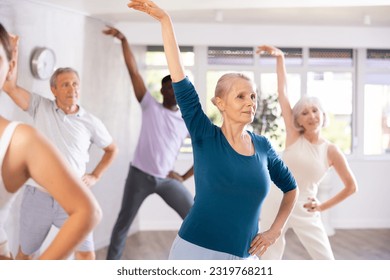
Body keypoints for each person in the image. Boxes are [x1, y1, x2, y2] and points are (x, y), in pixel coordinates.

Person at [128, 0, 298, 260]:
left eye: (253, 96)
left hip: (245, 257)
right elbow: (180, 79)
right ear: (220, 103)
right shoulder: (204, 134)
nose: (250, 102)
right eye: (241, 96)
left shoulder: (263, 147)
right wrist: (166, 21)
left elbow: (291, 188)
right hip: (195, 251)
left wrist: (275, 231)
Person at [3, 40, 118, 260]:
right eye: (65, 84)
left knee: (86, 257)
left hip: (73, 196)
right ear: (53, 89)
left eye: (75, 84)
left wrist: (95, 175)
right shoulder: (40, 106)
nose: (72, 89)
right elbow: (10, 88)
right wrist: (13, 54)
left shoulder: (90, 122)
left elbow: (112, 149)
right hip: (38, 197)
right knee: (25, 256)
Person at [257, 45, 358, 260]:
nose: (311, 115)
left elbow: (351, 187)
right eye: (304, 112)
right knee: (268, 256)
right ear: (298, 120)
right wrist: (280, 59)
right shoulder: (294, 136)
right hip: (276, 200)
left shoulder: (331, 150)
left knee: (325, 260)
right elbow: (282, 93)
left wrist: (322, 206)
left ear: (322, 114)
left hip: (305, 206)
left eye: (315, 110)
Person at [102, 25, 194, 260]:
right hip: (139, 176)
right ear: (163, 90)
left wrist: (183, 177)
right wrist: (123, 39)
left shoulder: (187, 122)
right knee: (123, 224)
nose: (172, 90)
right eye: (168, 86)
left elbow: (207, 152)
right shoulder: (149, 105)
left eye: (176, 86)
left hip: (166, 179)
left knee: (195, 218)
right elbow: (133, 71)